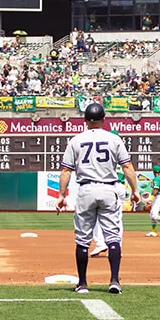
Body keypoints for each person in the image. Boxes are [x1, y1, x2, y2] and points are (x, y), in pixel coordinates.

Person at [56, 103, 140, 294]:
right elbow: (127, 167)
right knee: (113, 238)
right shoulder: (114, 139)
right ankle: (114, 281)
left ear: (85, 121)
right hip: (108, 189)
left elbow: (66, 170)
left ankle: (83, 283)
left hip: (86, 189)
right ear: (104, 120)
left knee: (83, 240)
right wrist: (135, 190)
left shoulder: (75, 140)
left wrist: (61, 195)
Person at [91, 129, 128, 257]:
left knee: (95, 214)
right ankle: (117, 247)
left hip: (105, 185)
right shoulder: (122, 151)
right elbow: (128, 168)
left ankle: (100, 243)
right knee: (117, 219)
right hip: (119, 186)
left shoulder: (101, 150)